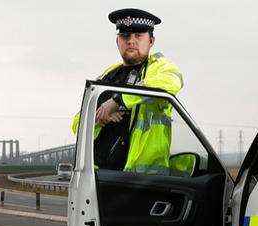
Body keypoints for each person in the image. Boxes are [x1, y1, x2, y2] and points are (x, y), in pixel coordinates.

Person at [71, 8, 183, 174]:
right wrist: (99, 116)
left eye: (138, 35)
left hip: (144, 181)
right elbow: (76, 125)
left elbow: (171, 82)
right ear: (117, 41)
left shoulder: (161, 68)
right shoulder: (107, 75)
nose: (131, 41)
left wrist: (117, 101)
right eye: (125, 36)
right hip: (99, 179)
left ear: (151, 41)